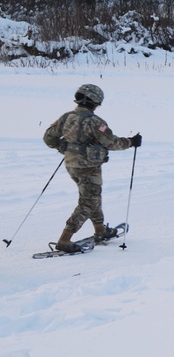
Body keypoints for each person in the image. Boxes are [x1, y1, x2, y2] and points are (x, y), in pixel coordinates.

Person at [42, 84, 141, 253]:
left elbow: (48, 138)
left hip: (71, 165)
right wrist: (131, 142)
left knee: (93, 197)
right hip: (89, 167)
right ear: (94, 102)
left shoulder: (66, 117)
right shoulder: (96, 122)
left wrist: (63, 146)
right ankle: (65, 239)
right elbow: (112, 142)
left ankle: (100, 230)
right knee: (88, 202)